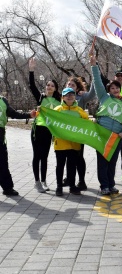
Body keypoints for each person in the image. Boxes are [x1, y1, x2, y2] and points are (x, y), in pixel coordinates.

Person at [90, 53, 122, 195]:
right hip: (103, 135)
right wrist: (94, 65)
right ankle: (104, 186)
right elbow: (97, 82)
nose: (115, 90)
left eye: (117, 88)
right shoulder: (104, 98)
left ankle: (111, 184)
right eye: (112, 88)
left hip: (116, 137)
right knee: (103, 162)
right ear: (109, 90)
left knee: (113, 162)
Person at [28, 58, 61, 193]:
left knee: (45, 157)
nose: (49, 87)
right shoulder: (41, 97)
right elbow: (32, 86)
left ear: (55, 88)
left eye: (52, 86)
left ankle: (44, 181)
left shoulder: (58, 100)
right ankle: (37, 182)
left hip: (49, 131)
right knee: (37, 156)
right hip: (37, 130)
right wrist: (31, 70)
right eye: (48, 85)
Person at [53, 87, 89, 196]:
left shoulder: (80, 111)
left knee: (72, 166)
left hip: (74, 144)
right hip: (60, 143)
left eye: (72, 95)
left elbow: (87, 124)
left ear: (75, 97)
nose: (69, 97)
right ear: (63, 97)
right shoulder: (57, 109)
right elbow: (50, 121)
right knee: (60, 165)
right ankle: (59, 186)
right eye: (67, 95)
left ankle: (72, 186)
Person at [63, 76, 96, 191]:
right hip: (65, 133)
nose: (70, 86)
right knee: (68, 156)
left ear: (77, 88)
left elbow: (92, 94)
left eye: (73, 85)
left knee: (78, 157)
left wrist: (94, 74)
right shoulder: (63, 98)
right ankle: (69, 178)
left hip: (78, 133)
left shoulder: (81, 97)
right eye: (69, 84)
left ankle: (82, 181)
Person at [0, 95, 36, 196]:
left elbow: (14, 114)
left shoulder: (2, 101)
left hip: (0, 136)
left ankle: (8, 188)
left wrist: (29, 115)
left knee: (2, 163)